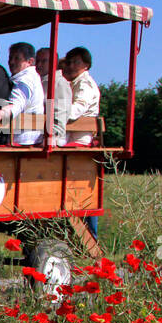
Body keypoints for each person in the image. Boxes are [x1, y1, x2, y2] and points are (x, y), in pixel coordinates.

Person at [63, 46, 102, 237]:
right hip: (74, 138)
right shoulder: (74, 82)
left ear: (86, 65)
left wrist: (55, 113)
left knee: (80, 188)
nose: (71, 66)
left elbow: (75, 110)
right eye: (69, 62)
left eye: (76, 62)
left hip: (81, 141)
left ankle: (90, 234)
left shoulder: (84, 84)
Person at [0, 42, 43, 146]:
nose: (11, 62)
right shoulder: (33, 77)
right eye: (10, 58)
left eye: (17, 58)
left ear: (30, 62)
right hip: (31, 138)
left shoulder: (25, 80)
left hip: (23, 141)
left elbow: (17, 103)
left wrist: (2, 113)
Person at [36, 47, 72, 145]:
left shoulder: (59, 83)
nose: (39, 65)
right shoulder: (39, 81)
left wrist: (51, 137)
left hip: (50, 141)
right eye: (37, 61)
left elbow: (60, 113)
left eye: (44, 61)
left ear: (54, 62)